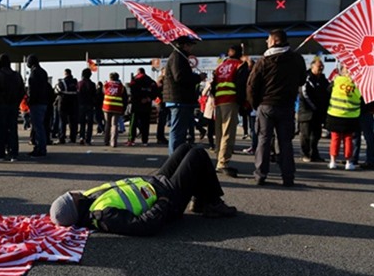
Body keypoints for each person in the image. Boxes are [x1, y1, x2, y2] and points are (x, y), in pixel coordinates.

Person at [49, 143, 237, 236]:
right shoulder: (102, 215)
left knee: (185, 148)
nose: (72, 192)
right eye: (70, 196)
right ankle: (211, 203)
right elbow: (142, 225)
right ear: (74, 205)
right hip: (166, 199)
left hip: (154, 184)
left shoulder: (88, 198)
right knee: (198, 154)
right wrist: (163, 204)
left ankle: (201, 201)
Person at [247, 29, 306, 186]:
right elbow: (302, 80)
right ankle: (288, 176)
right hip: (286, 106)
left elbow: (252, 85)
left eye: (268, 40)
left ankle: (260, 175)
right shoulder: (296, 59)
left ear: (273, 41)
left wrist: (255, 104)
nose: (266, 42)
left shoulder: (263, 61)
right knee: (285, 142)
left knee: (263, 140)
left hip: (266, 105)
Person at [212, 45, 248, 177]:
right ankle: (223, 163)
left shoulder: (220, 67)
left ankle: (218, 159)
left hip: (219, 102)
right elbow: (242, 85)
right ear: (240, 53)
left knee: (219, 133)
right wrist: (244, 103)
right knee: (228, 133)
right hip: (231, 101)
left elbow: (213, 85)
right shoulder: (240, 65)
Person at [163, 36, 202, 155]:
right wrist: (198, 77)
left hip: (179, 99)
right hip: (179, 99)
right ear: (185, 45)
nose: (191, 47)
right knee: (178, 131)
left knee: (179, 131)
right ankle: (174, 157)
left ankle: (176, 156)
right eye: (190, 45)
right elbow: (180, 77)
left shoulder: (179, 56)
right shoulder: (177, 57)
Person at [0, 53, 25, 161]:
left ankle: (1, 153)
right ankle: (14, 153)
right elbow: (22, 91)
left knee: (1, 131)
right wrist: (17, 102)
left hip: (2, 106)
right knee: (13, 130)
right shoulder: (17, 75)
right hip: (13, 106)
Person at [325, 66, 361, 170]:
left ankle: (333, 161)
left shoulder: (336, 80)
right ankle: (349, 162)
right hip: (351, 115)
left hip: (335, 113)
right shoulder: (359, 83)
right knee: (348, 139)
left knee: (335, 138)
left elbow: (327, 92)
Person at [297, 58, 330, 162]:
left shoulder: (323, 79)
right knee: (305, 134)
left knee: (316, 135)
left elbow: (327, 92)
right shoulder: (307, 78)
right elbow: (304, 94)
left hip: (319, 113)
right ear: (312, 67)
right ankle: (305, 154)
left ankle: (314, 154)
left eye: (322, 66)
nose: (321, 68)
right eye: (318, 66)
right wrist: (313, 107)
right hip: (307, 112)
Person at [26, 54, 50, 157]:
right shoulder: (43, 72)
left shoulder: (34, 73)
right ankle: (41, 147)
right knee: (41, 126)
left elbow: (32, 89)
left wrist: (30, 100)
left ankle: (40, 148)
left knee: (37, 126)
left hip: (36, 102)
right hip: (44, 102)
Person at [127, 68, 158, 147]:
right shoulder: (151, 81)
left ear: (138, 72)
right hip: (147, 105)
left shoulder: (135, 80)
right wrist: (149, 98)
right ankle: (145, 140)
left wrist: (139, 99)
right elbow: (156, 91)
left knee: (133, 123)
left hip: (136, 105)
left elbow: (132, 91)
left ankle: (131, 140)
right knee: (146, 123)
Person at [351, 99, 374, 170]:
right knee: (367, 137)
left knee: (360, 137)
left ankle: (354, 158)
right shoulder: (372, 90)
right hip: (366, 112)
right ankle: (369, 160)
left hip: (360, 112)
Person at [103, 72, 128, 148]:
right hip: (117, 107)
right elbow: (125, 98)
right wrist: (124, 109)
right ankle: (113, 142)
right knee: (114, 124)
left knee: (108, 124)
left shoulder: (106, 85)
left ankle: (106, 141)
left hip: (107, 106)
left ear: (110, 78)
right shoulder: (121, 87)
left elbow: (103, 93)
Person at [56, 68, 79, 144]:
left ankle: (62, 138)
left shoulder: (62, 82)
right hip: (73, 104)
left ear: (65, 73)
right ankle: (73, 138)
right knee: (72, 122)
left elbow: (56, 91)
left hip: (63, 104)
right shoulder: (76, 83)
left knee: (62, 122)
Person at [77, 68, 96, 145]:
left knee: (82, 122)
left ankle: (81, 137)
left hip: (81, 104)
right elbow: (94, 95)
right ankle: (88, 139)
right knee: (90, 123)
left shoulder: (79, 83)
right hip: (90, 104)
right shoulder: (92, 84)